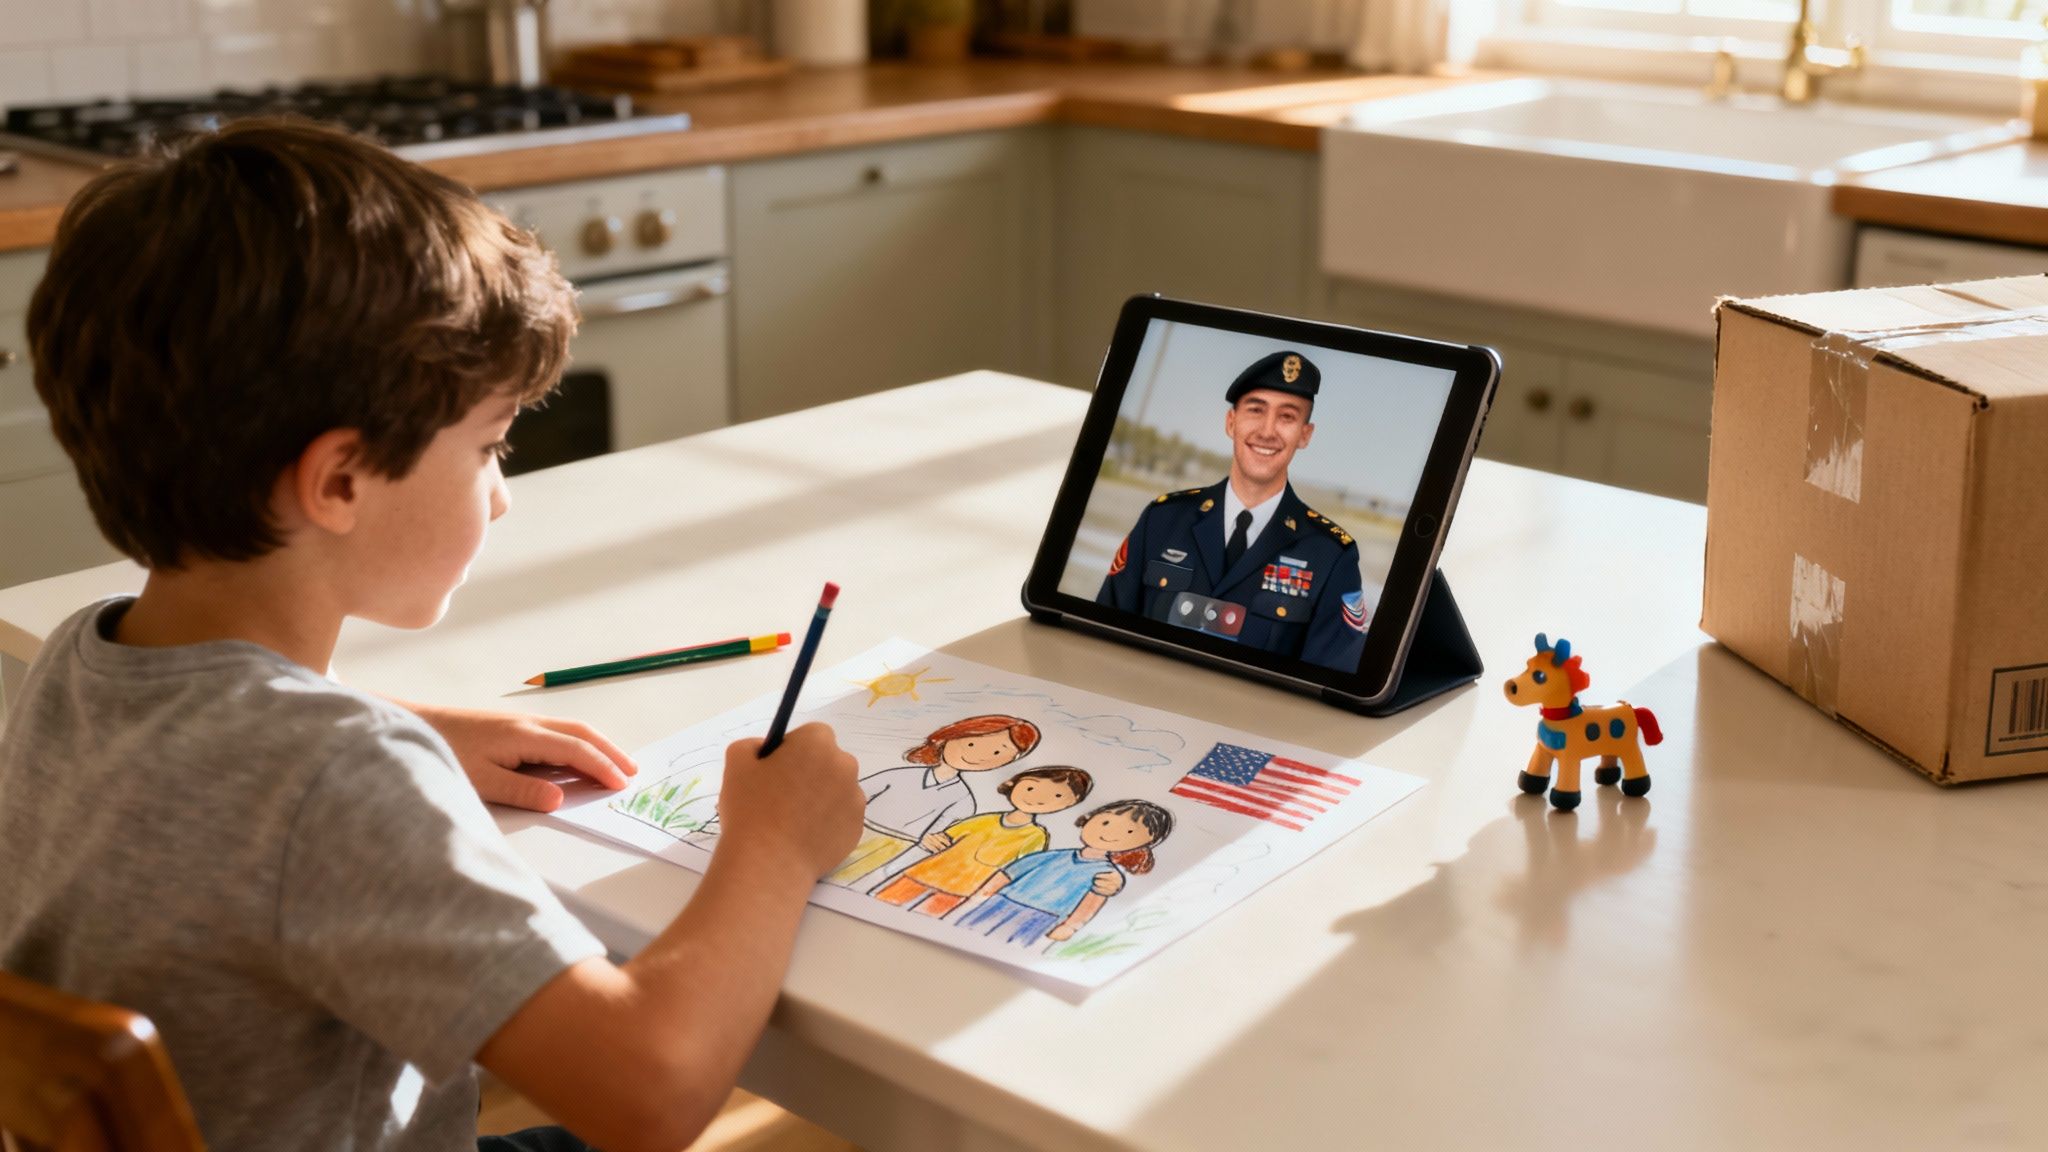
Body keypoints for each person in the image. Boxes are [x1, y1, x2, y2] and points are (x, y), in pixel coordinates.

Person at [0, 120, 866, 1152]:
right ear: (339, 481)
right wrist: (774, 839)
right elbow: (650, 1093)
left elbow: (215, 765)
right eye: (490, 446)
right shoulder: (338, 784)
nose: (499, 499)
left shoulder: (75, 664)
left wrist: (376, 722)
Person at [1097, 350, 1370, 672]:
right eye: (1256, 410)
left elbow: (1332, 680)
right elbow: (1100, 638)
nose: (1267, 431)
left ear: (1305, 434)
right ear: (1232, 422)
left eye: (1287, 417)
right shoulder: (1162, 519)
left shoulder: (1331, 555)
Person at [827, 714, 1042, 888]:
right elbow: (853, 795)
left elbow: (934, 836)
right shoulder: (898, 775)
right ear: (949, 737)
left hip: (894, 848)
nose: (980, 755)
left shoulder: (963, 800)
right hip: (852, 831)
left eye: (997, 752)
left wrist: (928, 842)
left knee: (844, 885)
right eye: (971, 743)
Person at [872, 766, 1105, 917]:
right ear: (1014, 784)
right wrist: (930, 841)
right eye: (1032, 787)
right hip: (919, 874)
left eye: (1056, 796)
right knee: (876, 907)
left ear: (1068, 805)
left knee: (916, 923)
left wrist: (983, 899)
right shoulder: (983, 820)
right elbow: (941, 838)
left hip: (960, 891)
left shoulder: (1036, 836)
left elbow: (1017, 870)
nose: (1039, 798)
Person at [954, 800, 1175, 946]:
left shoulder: (1106, 875)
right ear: (1089, 818)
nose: (1110, 832)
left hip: (1041, 917)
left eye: (1129, 831)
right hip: (1001, 903)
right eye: (1106, 822)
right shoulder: (1054, 856)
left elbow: (1092, 902)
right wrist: (981, 894)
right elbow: (1009, 873)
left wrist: (1071, 926)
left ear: (1145, 844)